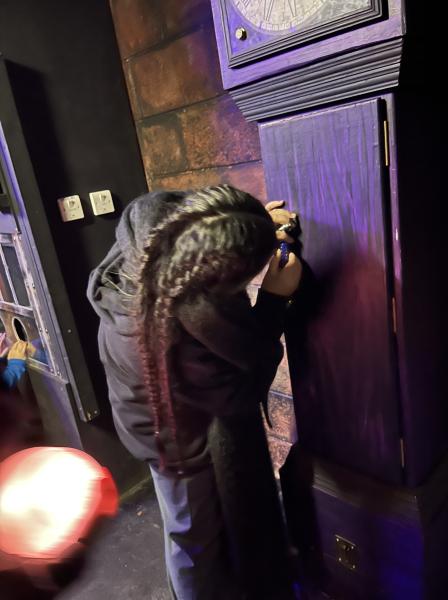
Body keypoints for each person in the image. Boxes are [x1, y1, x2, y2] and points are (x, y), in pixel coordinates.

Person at [87, 185, 305, 599]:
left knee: (202, 519)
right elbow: (239, 391)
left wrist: (248, 225)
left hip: (149, 408)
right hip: (173, 442)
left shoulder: (151, 235)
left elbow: (195, 224)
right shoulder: (175, 338)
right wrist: (274, 301)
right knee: (191, 534)